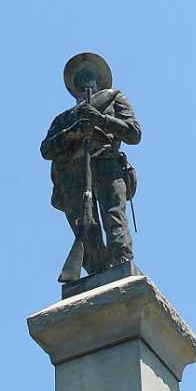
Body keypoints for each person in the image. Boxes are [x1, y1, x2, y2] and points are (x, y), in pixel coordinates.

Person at [40, 52, 141, 285]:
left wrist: (101, 120)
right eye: (79, 80)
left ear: (98, 81)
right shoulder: (64, 119)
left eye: (89, 78)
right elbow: (47, 149)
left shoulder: (114, 99)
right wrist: (73, 132)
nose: (85, 83)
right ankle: (96, 271)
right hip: (74, 175)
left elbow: (134, 133)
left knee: (113, 215)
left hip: (106, 163)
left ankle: (121, 261)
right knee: (84, 226)